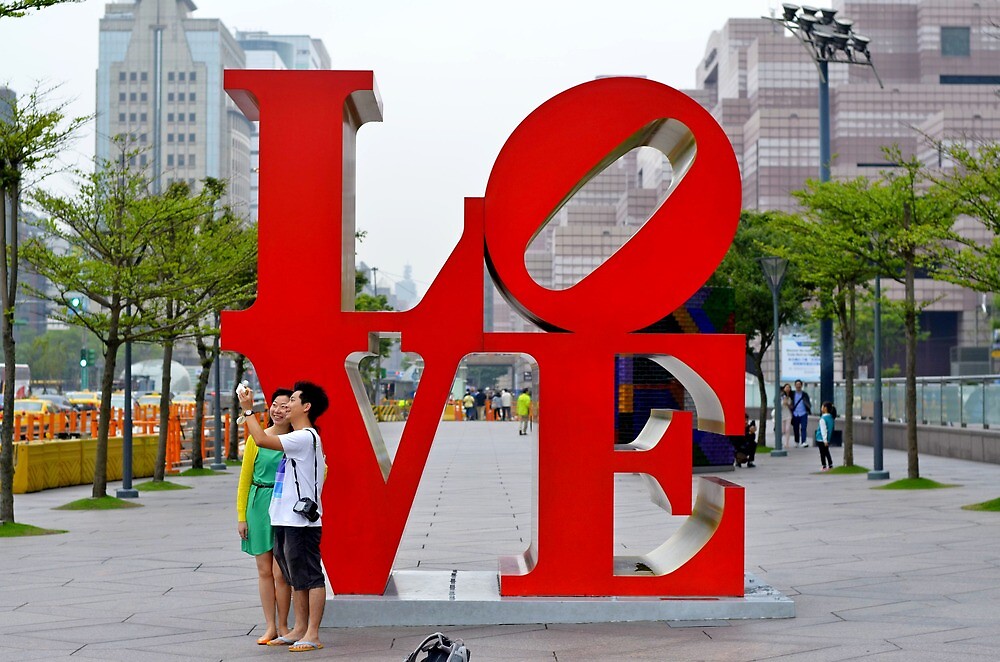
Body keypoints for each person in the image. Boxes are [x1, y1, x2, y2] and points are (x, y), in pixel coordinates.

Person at [238, 381, 330, 653]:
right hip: (284, 518)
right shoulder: (299, 436)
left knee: (310, 577)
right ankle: (298, 628)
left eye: (292, 401)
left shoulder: (304, 436)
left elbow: (263, 439)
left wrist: (247, 411)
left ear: (306, 407)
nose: (286, 405)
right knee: (294, 576)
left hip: (301, 521)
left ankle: (312, 633)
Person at [236, 388, 293, 645]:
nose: (278, 410)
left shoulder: (296, 440)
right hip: (258, 505)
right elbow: (244, 481)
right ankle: (270, 626)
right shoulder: (256, 439)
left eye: (284, 406)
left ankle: (283, 625)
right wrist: (241, 516)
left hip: (283, 506)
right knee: (263, 571)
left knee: (280, 572)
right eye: (275, 405)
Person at [816, 401, 837, 471]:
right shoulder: (831, 418)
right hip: (827, 439)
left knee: (822, 453)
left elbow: (823, 430)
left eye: (822, 406)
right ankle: (830, 465)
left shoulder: (823, 419)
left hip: (821, 439)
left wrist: (824, 440)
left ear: (825, 408)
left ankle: (824, 466)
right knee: (827, 452)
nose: (821, 408)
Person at [790, 379, 812, 447]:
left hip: (803, 413)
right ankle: (796, 441)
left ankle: (803, 441)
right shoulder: (792, 394)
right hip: (795, 414)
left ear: (801, 385)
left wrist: (808, 409)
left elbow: (808, 403)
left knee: (803, 428)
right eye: (797, 385)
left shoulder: (805, 394)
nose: (798, 386)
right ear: (795, 386)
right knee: (796, 428)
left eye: (799, 385)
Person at [780, 383, 793, 449]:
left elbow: (791, 406)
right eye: (786, 387)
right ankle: (780, 442)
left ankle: (787, 443)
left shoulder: (790, 397)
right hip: (782, 415)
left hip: (788, 414)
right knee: (782, 430)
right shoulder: (781, 396)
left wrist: (787, 404)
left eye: (789, 387)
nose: (788, 389)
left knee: (787, 429)